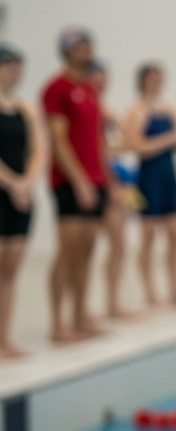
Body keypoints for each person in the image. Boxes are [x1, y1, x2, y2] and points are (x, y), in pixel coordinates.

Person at [42, 28, 110, 342]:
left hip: (97, 180)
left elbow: (98, 139)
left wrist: (105, 179)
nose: (86, 50)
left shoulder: (91, 90)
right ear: (67, 51)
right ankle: (58, 323)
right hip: (69, 182)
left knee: (87, 251)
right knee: (67, 252)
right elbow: (58, 141)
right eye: (80, 46)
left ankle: (80, 316)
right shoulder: (56, 88)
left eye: (88, 44)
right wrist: (80, 180)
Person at [123, 63, 176, 306]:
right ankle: (150, 291)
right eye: (152, 78)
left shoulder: (169, 109)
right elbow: (137, 146)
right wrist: (171, 139)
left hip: (169, 175)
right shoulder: (136, 111)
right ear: (142, 81)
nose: (156, 82)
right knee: (149, 234)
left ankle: (175, 288)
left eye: (159, 77)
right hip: (149, 176)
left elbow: (171, 143)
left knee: (175, 233)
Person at [0, 45, 43, 358]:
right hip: (4, 192)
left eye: (17, 66)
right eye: (8, 66)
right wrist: (12, 183)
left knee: (11, 271)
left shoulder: (26, 108)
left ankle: (5, 339)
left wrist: (26, 182)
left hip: (22, 195)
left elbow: (39, 150)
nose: (14, 71)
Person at [88, 59, 135, 319]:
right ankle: (101, 305)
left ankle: (111, 302)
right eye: (98, 77)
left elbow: (121, 145)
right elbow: (99, 152)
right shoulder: (91, 111)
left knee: (119, 245)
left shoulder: (106, 112)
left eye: (105, 77)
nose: (103, 82)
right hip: (103, 185)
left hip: (114, 182)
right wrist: (113, 185)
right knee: (96, 246)